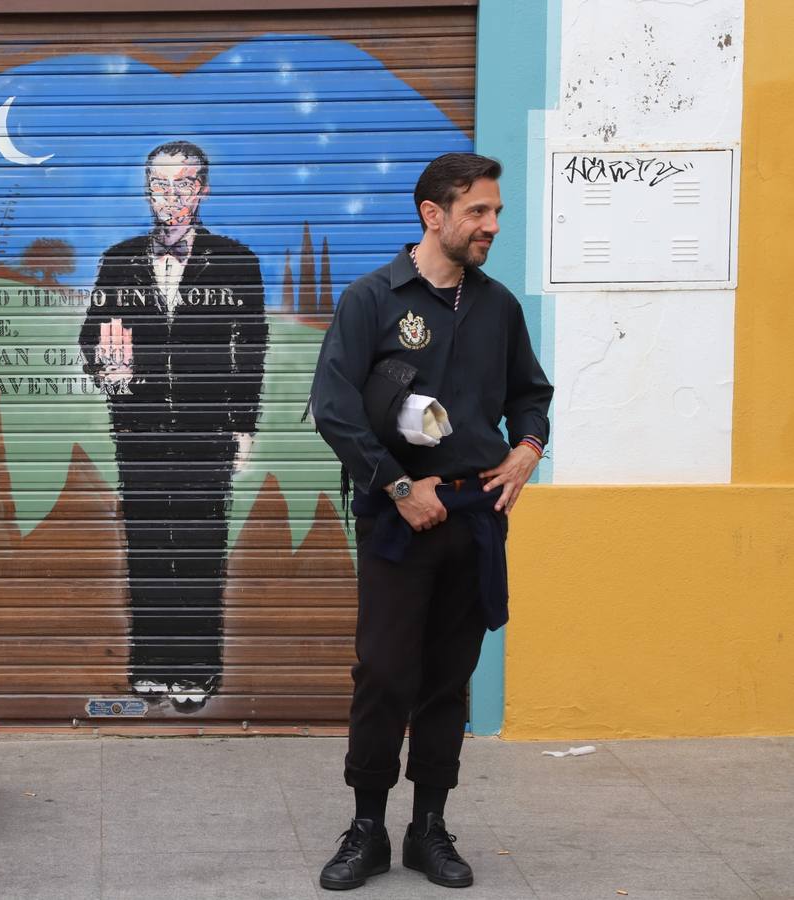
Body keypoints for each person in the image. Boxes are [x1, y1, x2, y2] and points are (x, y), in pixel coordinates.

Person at [307, 153, 552, 891]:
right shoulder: (373, 300)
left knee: (449, 680)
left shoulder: (499, 306)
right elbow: (334, 408)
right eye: (479, 211)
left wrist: (528, 450)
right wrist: (398, 485)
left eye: (497, 212)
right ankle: (368, 828)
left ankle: (429, 828)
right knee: (384, 673)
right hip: (396, 519)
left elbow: (529, 393)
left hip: (475, 517)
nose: (492, 225)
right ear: (432, 214)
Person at [78, 140, 267, 711]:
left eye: (183, 184)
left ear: (202, 190)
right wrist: (106, 369)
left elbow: (251, 348)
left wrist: (243, 426)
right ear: (147, 190)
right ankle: (151, 669)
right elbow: (92, 335)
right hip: (137, 429)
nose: (171, 196)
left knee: (201, 546)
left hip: (206, 430)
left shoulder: (235, 259)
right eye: (160, 185)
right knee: (148, 547)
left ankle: (197, 672)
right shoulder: (119, 259)